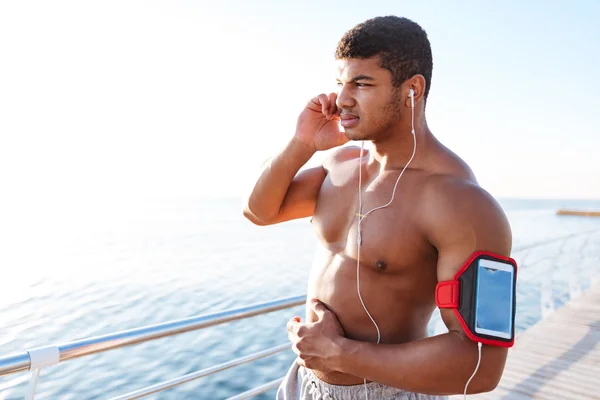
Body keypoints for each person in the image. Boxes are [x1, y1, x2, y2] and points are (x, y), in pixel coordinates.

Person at [243, 15, 512, 400]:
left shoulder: (461, 202)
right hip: (305, 386)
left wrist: (340, 353)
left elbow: (482, 366)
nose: (341, 99)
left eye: (362, 83)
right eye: (340, 82)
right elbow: (258, 211)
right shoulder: (341, 165)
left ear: (412, 90)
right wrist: (302, 143)